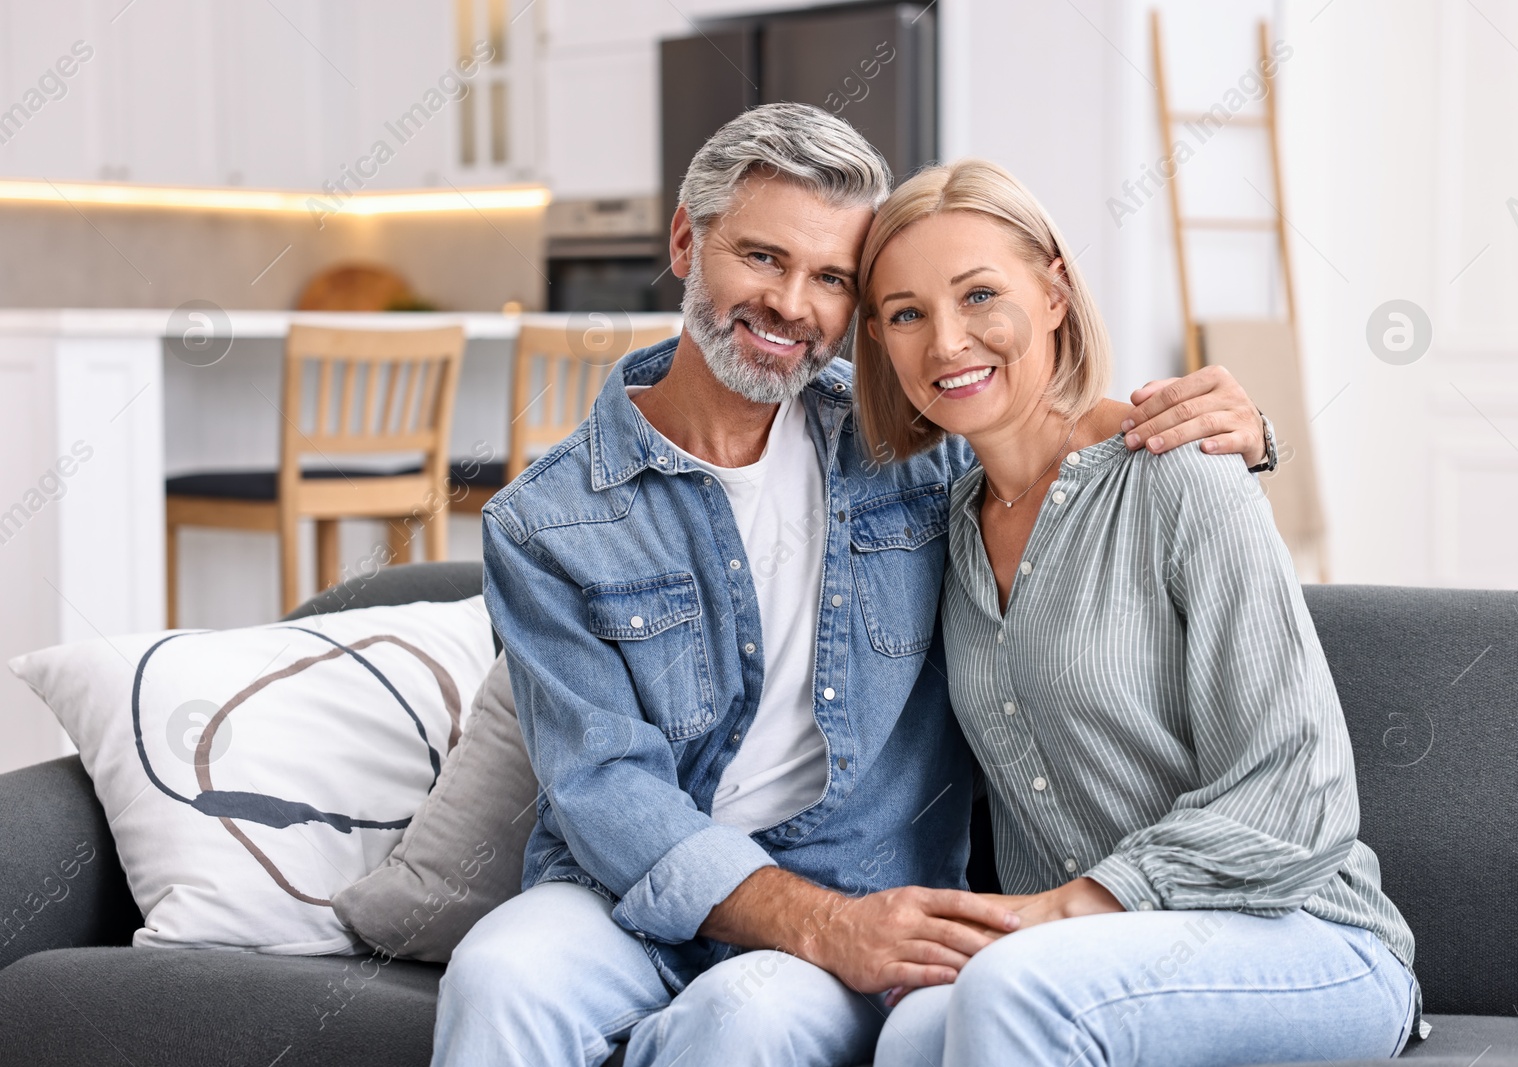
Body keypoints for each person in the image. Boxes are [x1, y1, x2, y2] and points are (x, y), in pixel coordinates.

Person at [432, 105, 1272, 1067]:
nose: (793, 304)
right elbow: (607, 790)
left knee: (745, 1016)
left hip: (862, 893)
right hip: (628, 900)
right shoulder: (546, 524)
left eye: (831, 277)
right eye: (761, 256)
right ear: (684, 242)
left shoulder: (908, 444)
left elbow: (1046, 437)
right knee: (499, 973)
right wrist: (822, 925)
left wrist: (1216, 428)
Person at [851, 157, 1419, 1067]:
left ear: (1055, 295)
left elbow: (1299, 789)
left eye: (980, 294)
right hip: (1076, 958)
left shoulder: (1178, 469)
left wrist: (1071, 904)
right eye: (908, 313)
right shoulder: (948, 525)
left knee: (1006, 991)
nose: (948, 342)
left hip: (1302, 935)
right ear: (878, 339)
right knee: (914, 1027)